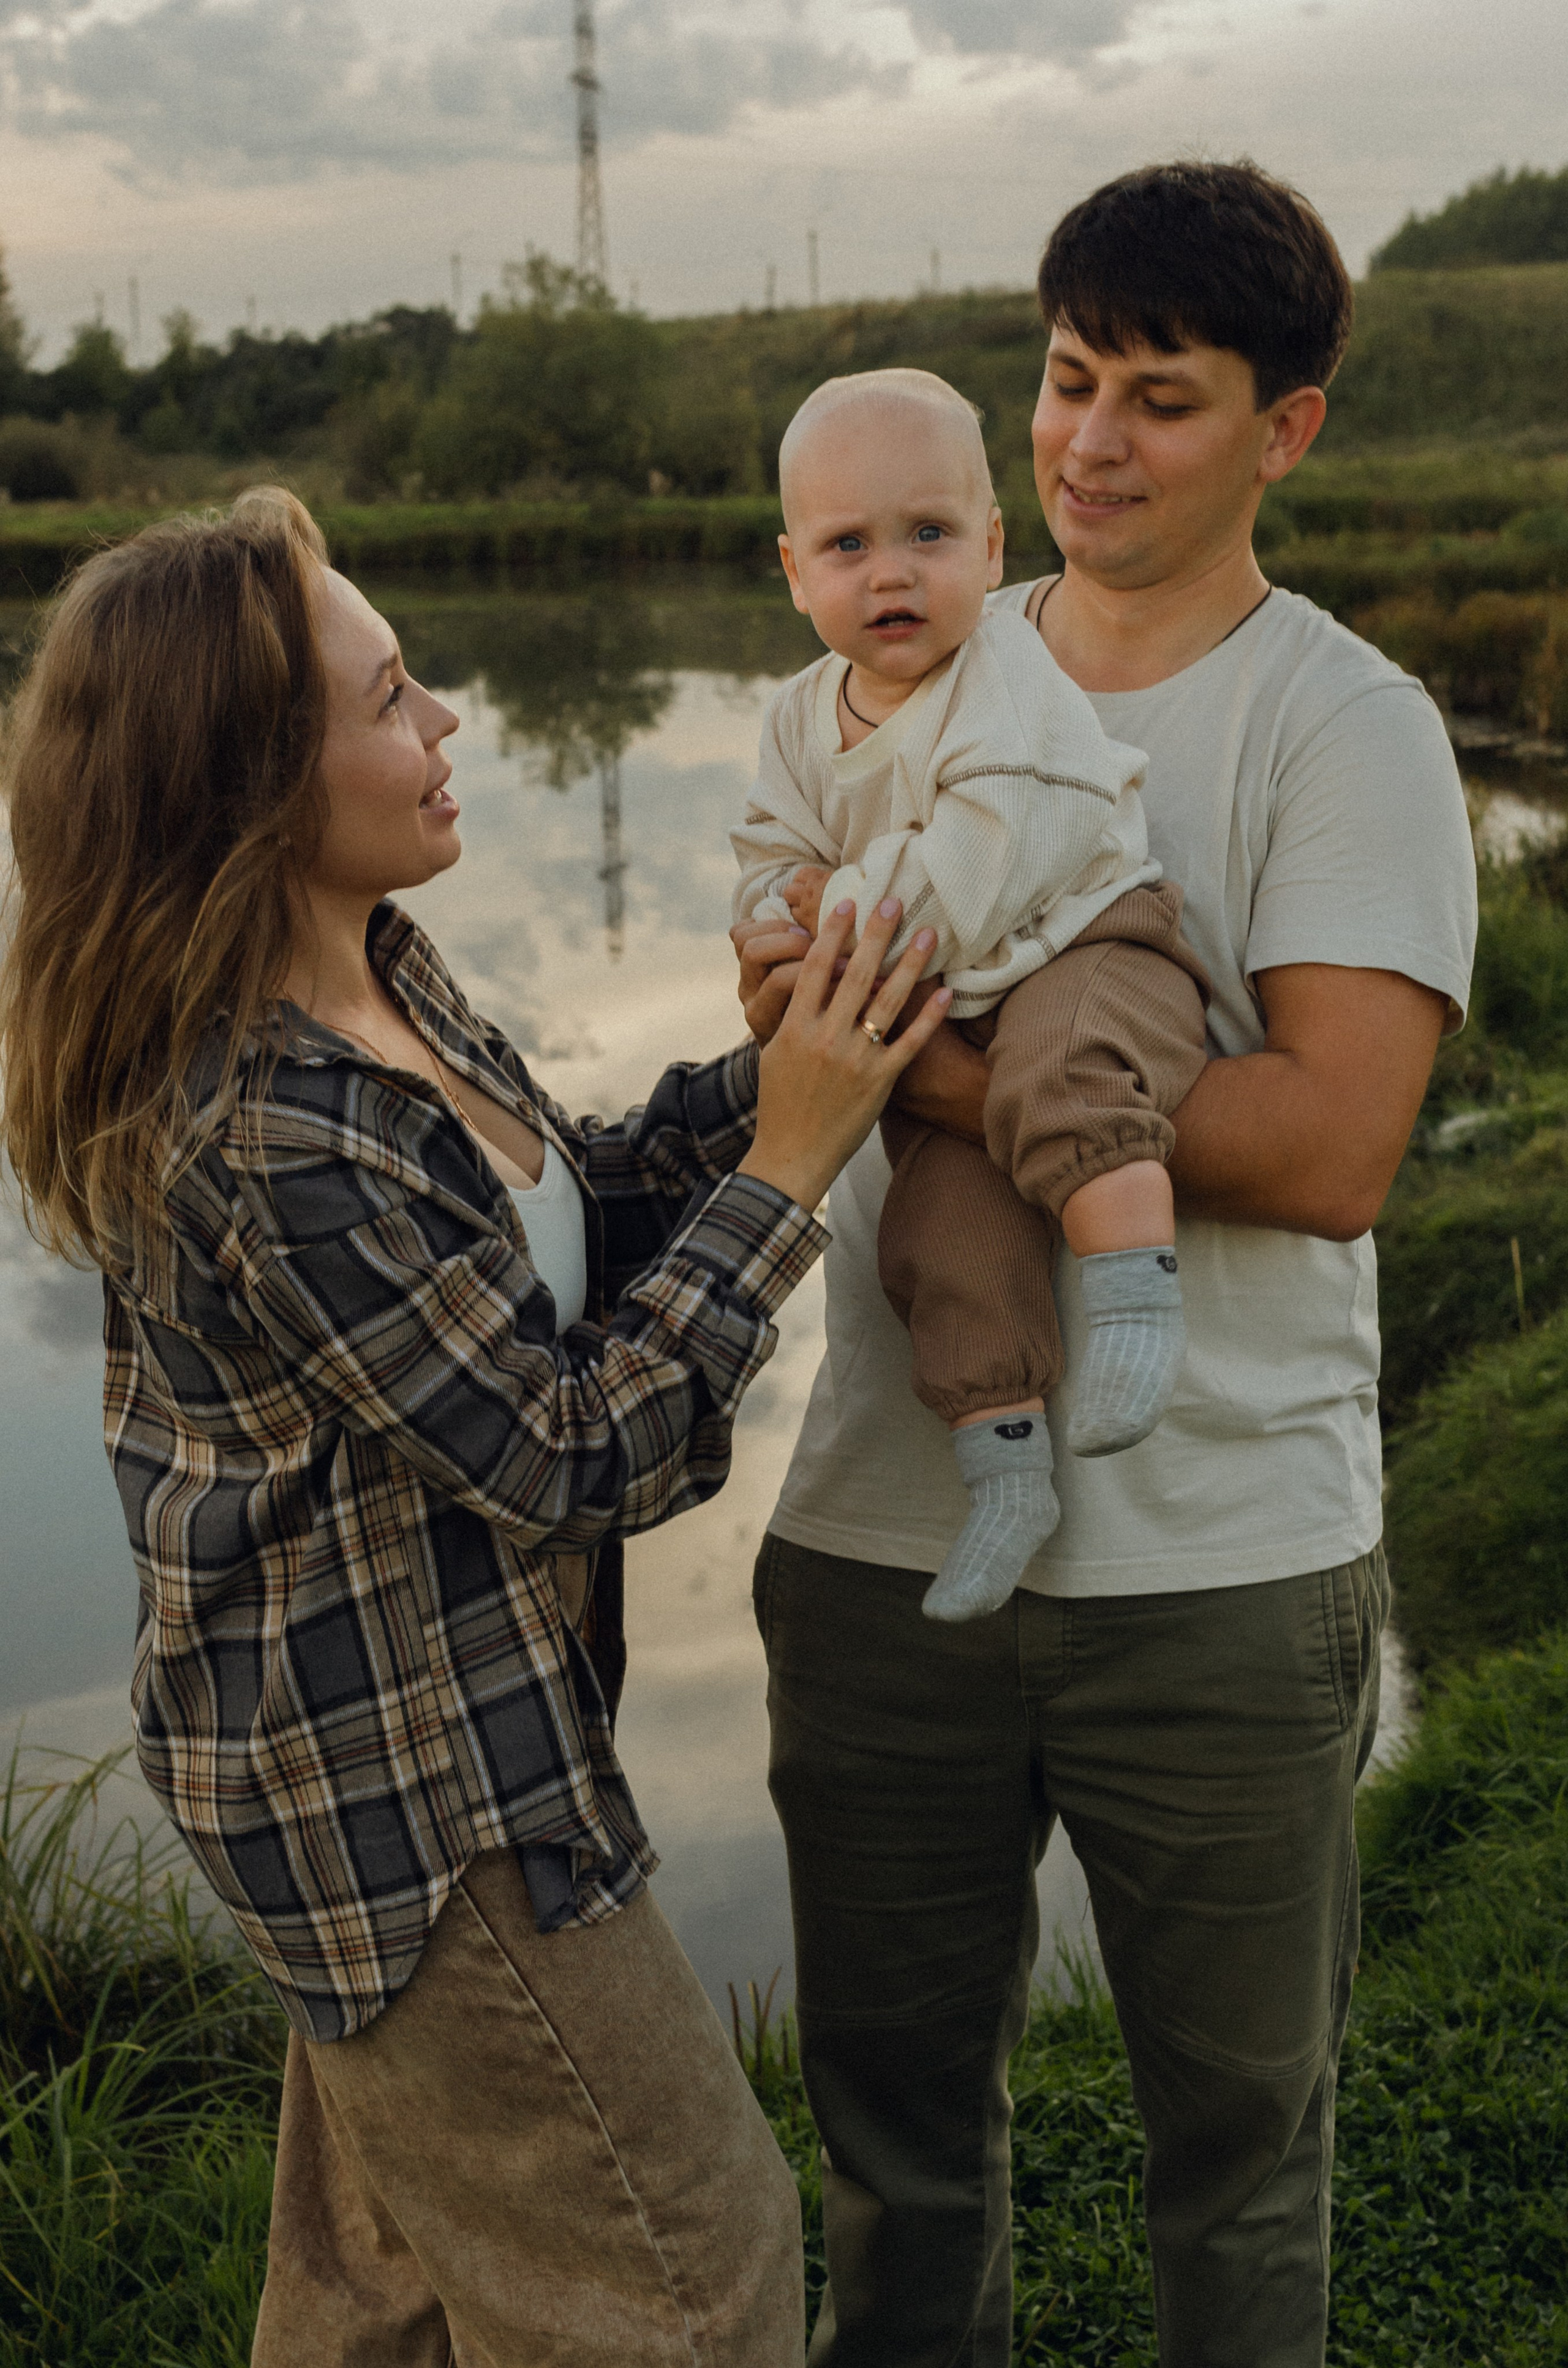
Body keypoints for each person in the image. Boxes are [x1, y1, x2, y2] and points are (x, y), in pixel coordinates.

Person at [0, 486, 952, 2366]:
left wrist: (786, 1062)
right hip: (411, 1805)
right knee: (693, 2279)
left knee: (384, 2302)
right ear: (253, 783)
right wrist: (791, 1164)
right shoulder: (260, 1124)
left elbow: (558, 1211)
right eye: (392, 697)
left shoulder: (376, 972)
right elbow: (565, 1451)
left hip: (442, 1729)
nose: (449, 720)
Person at [734, 160, 1478, 2366]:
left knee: (1240, 2165)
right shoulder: (893, 659)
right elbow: (776, 981)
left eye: (1164, 398)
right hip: (884, 1536)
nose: (1093, 444)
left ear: (1286, 428)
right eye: (1069, 382)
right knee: (895, 2154)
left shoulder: (1348, 724)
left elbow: (1332, 1145)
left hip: (1223, 1558)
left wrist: (921, 1061)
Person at [731, 368, 1210, 1624]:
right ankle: (1005, 1466)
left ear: (992, 551)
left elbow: (980, 865)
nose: (890, 574)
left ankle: (1134, 1297)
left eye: (928, 535)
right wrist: (776, 913)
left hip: (1083, 944)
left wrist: (834, 920)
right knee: (935, 1226)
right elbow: (770, 856)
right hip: (946, 996)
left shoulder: (1002, 674)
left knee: (1065, 1078)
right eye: (848, 545)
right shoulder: (799, 715)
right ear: (794, 571)